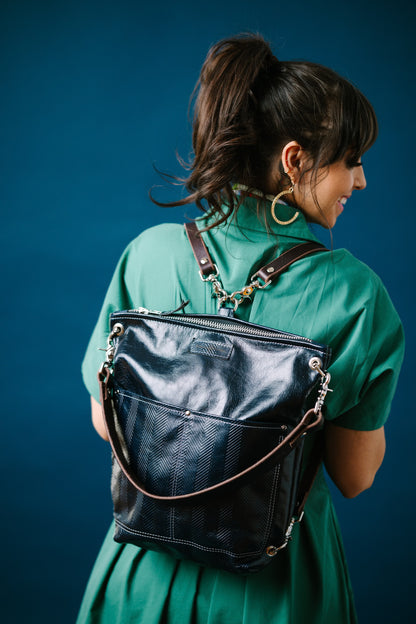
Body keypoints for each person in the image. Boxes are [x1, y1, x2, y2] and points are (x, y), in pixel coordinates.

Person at [77, 34, 404, 624]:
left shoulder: (148, 255)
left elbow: (107, 422)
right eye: (350, 161)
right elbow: (355, 478)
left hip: (141, 578)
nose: (359, 182)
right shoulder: (356, 295)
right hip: (272, 588)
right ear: (295, 160)